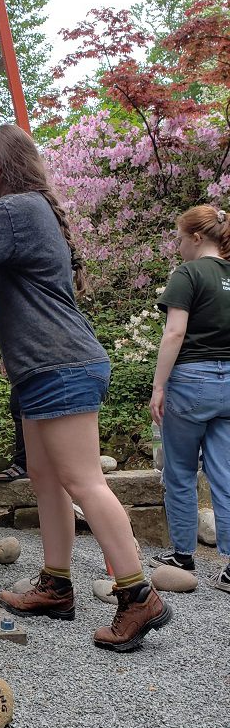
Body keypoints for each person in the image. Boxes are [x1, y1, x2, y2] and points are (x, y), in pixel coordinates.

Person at [0, 123, 169, 652]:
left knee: (83, 481)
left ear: (0, 164)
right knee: (47, 481)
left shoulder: (15, 210)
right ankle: (56, 585)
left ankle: (138, 594)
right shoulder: (29, 211)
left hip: (61, 366)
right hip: (43, 368)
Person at [148, 205, 230, 589]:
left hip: (191, 381)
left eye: (179, 238)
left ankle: (183, 555)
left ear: (197, 238)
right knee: (225, 475)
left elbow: (174, 333)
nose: (177, 245)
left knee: (180, 472)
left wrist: (158, 387)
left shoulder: (188, 274)